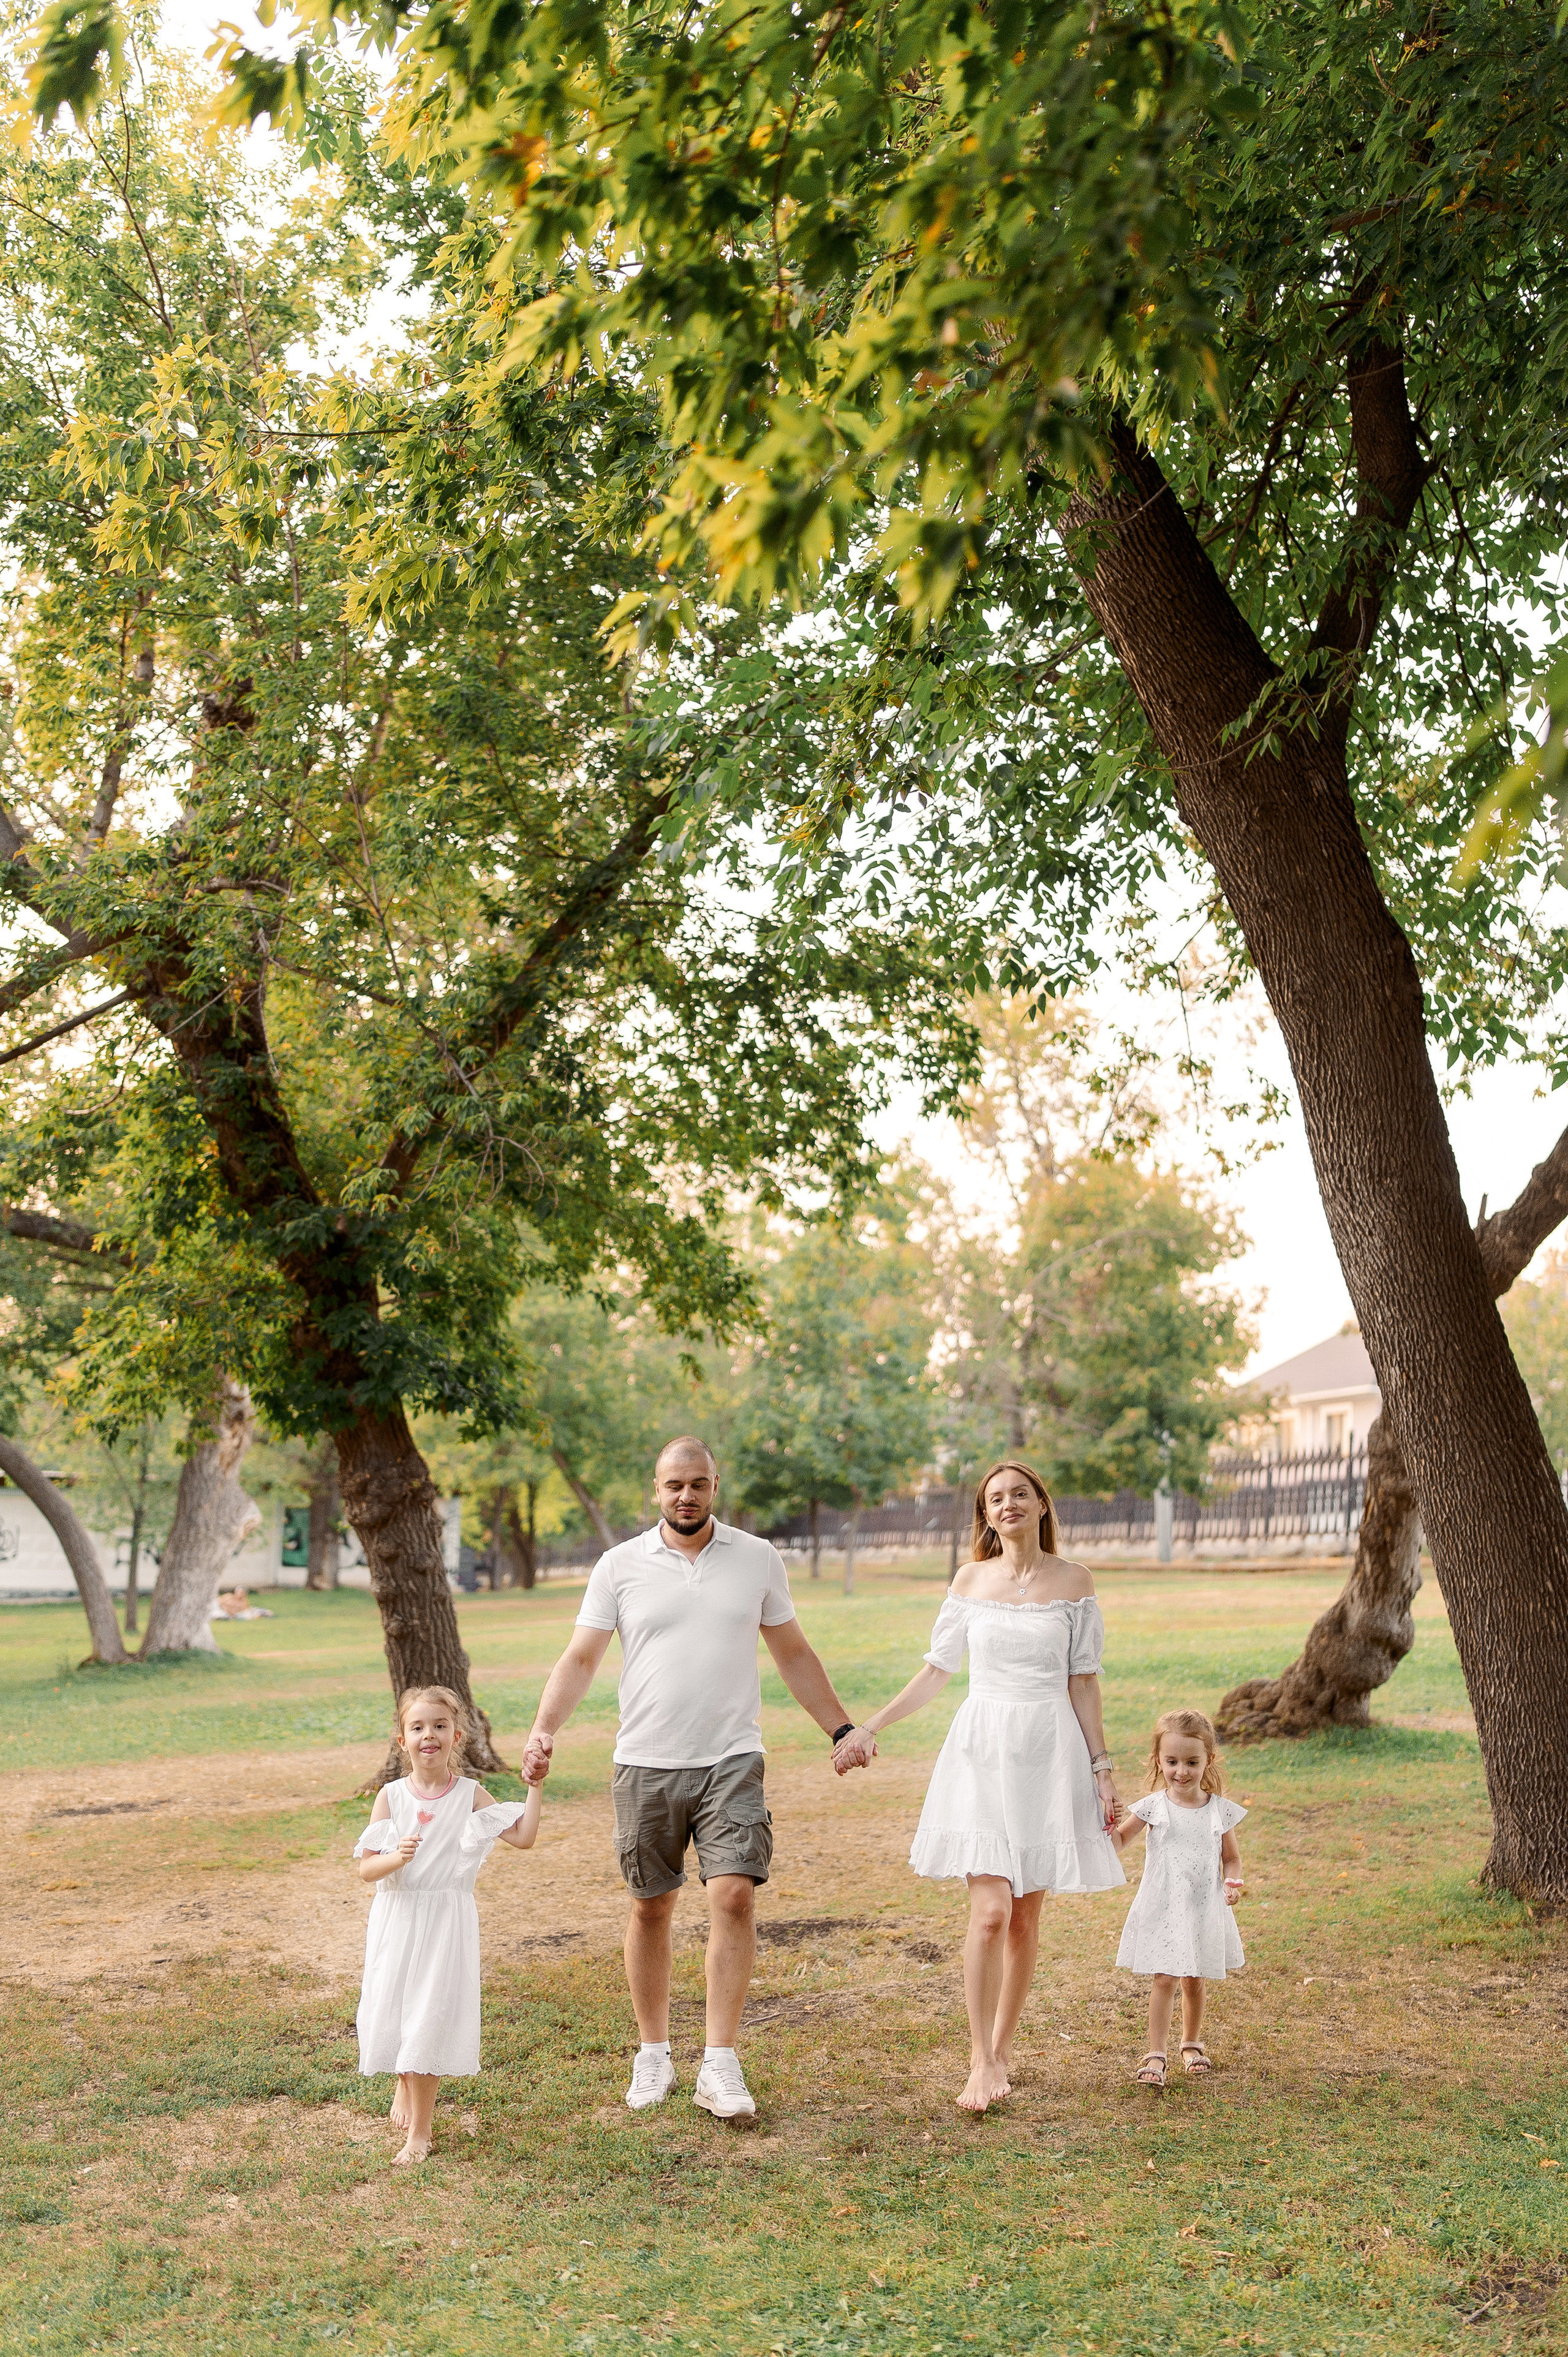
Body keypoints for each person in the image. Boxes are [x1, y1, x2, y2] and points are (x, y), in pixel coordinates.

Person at [521, 1436, 866, 2122]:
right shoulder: (619, 1566)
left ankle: (720, 2060)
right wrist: (543, 1728)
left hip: (731, 1757)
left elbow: (792, 1650)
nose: (687, 1495)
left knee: (734, 1894)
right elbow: (582, 1657)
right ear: (657, 1489)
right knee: (651, 1905)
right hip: (645, 1760)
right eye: (674, 1484)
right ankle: (653, 2051)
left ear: (716, 1485)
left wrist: (841, 1727)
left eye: (699, 1483)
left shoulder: (757, 1559)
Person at [832, 1460, 1123, 2113]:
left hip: (1049, 1752)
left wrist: (1101, 1768)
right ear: (986, 1515)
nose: (1009, 1503)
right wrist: (869, 1725)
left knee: (1024, 1915)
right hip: (982, 1750)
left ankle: (1003, 2047)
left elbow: (1083, 1680)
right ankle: (979, 2058)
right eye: (997, 1498)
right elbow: (938, 1670)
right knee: (989, 1910)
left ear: (1042, 1504)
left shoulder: (1074, 1581)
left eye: (1020, 1493)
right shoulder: (970, 1580)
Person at [353, 1684, 542, 2163]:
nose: (428, 1735)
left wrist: (535, 1785)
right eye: (417, 1727)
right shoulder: (390, 1797)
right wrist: (396, 1855)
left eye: (439, 1726)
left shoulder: (469, 1794)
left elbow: (523, 1837)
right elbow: (366, 1868)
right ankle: (404, 2079)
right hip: (398, 1918)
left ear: (456, 1735)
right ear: (403, 1741)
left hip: (445, 1921)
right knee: (396, 2008)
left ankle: (420, 2130)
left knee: (429, 2013)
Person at [1109, 1708, 1246, 2087]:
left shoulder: (1219, 1810)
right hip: (1164, 1903)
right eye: (1171, 1762)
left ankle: (1190, 2042)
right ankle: (1156, 2053)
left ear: (1208, 1761)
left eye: (1191, 1762)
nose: (1181, 1772)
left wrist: (1232, 1884)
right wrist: (1103, 1824)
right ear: (1159, 1761)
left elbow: (1231, 1859)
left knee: (1194, 1977)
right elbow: (1119, 1841)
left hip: (1203, 1905)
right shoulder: (1153, 1807)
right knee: (1165, 1977)